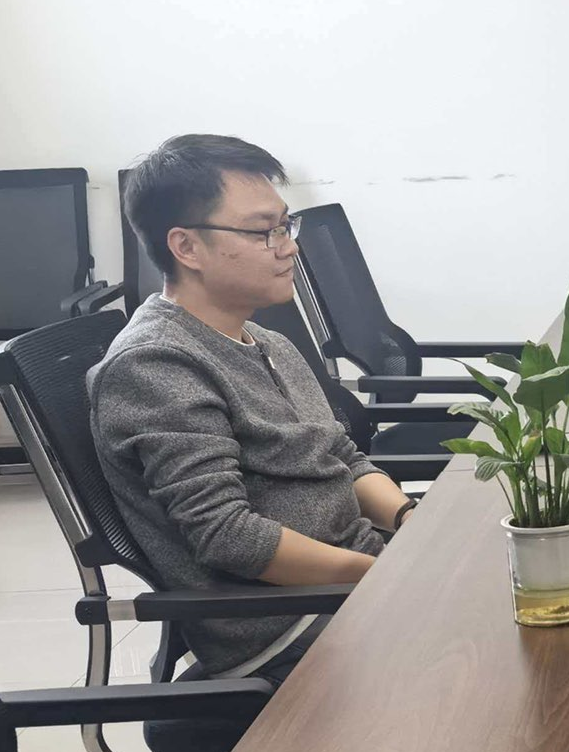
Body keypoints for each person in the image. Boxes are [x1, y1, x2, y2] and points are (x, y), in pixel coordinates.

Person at [92, 134, 413, 681]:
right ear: (186, 247)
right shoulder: (153, 365)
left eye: (286, 226)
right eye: (263, 232)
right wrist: (390, 576)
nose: (288, 247)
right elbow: (230, 537)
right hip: (290, 625)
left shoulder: (267, 341)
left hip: (353, 583)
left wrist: (408, 521)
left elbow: (343, 457)